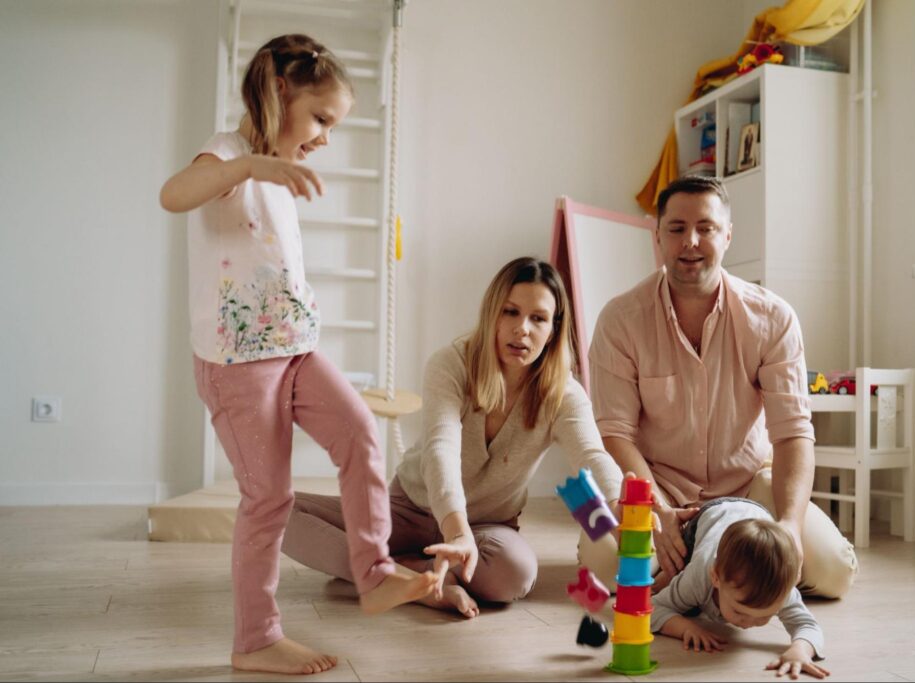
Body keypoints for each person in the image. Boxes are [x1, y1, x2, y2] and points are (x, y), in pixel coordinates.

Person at [159, 34, 439, 676]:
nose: (325, 138)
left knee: (360, 432)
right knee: (269, 497)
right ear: (280, 92)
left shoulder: (278, 174)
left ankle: (373, 574)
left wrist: (272, 169)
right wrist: (252, 166)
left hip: (295, 351)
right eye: (321, 120)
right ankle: (254, 640)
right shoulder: (229, 154)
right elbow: (174, 195)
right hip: (237, 365)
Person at [282, 257, 624, 618]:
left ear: (553, 329)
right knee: (282, 514)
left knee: (514, 576)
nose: (521, 329)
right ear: (492, 313)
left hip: (485, 527)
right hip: (409, 508)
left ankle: (401, 571)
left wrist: (624, 505)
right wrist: (454, 531)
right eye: (510, 312)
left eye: (537, 318)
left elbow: (591, 454)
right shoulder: (451, 364)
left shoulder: (564, 394)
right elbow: (440, 451)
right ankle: (415, 583)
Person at [580, 175, 858, 599]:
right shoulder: (620, 319)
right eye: (676, 229)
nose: (690, 241)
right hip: (658, 486)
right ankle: (703, 562)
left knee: (834, 573)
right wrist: (659, 509)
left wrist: (789, 526)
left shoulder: (773, 319)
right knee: (610, 568)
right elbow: (615, 433)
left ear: (727, 236)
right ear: (658, 236)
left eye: (705, 228)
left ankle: (704, 563)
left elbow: (793, 434)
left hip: (748, 484)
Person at [651, 497, 830, 680]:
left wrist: (800, 650)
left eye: (764, 616)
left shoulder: (781, 590)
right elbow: (652, 609)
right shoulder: (701, 574)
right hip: (711, 514)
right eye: (738, 610)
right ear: (716, 577)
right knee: (688, 604)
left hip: (761, 516)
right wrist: (685, 628)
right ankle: (672, 575)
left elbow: (808, 625)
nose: (747, 623)